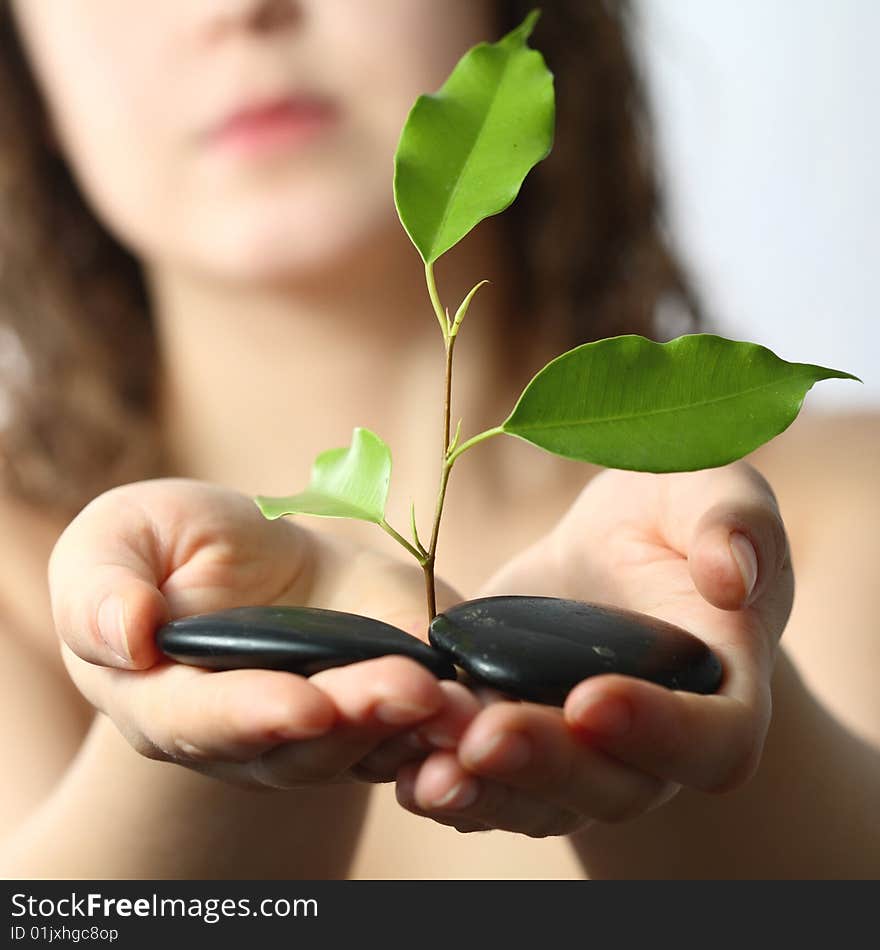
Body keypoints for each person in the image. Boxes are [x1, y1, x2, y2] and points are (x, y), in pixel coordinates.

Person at [0, 0, 877, 880]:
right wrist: (207, 737)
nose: (241, 9)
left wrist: (696, 711)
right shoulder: (20, 600)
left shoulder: (837, 523)